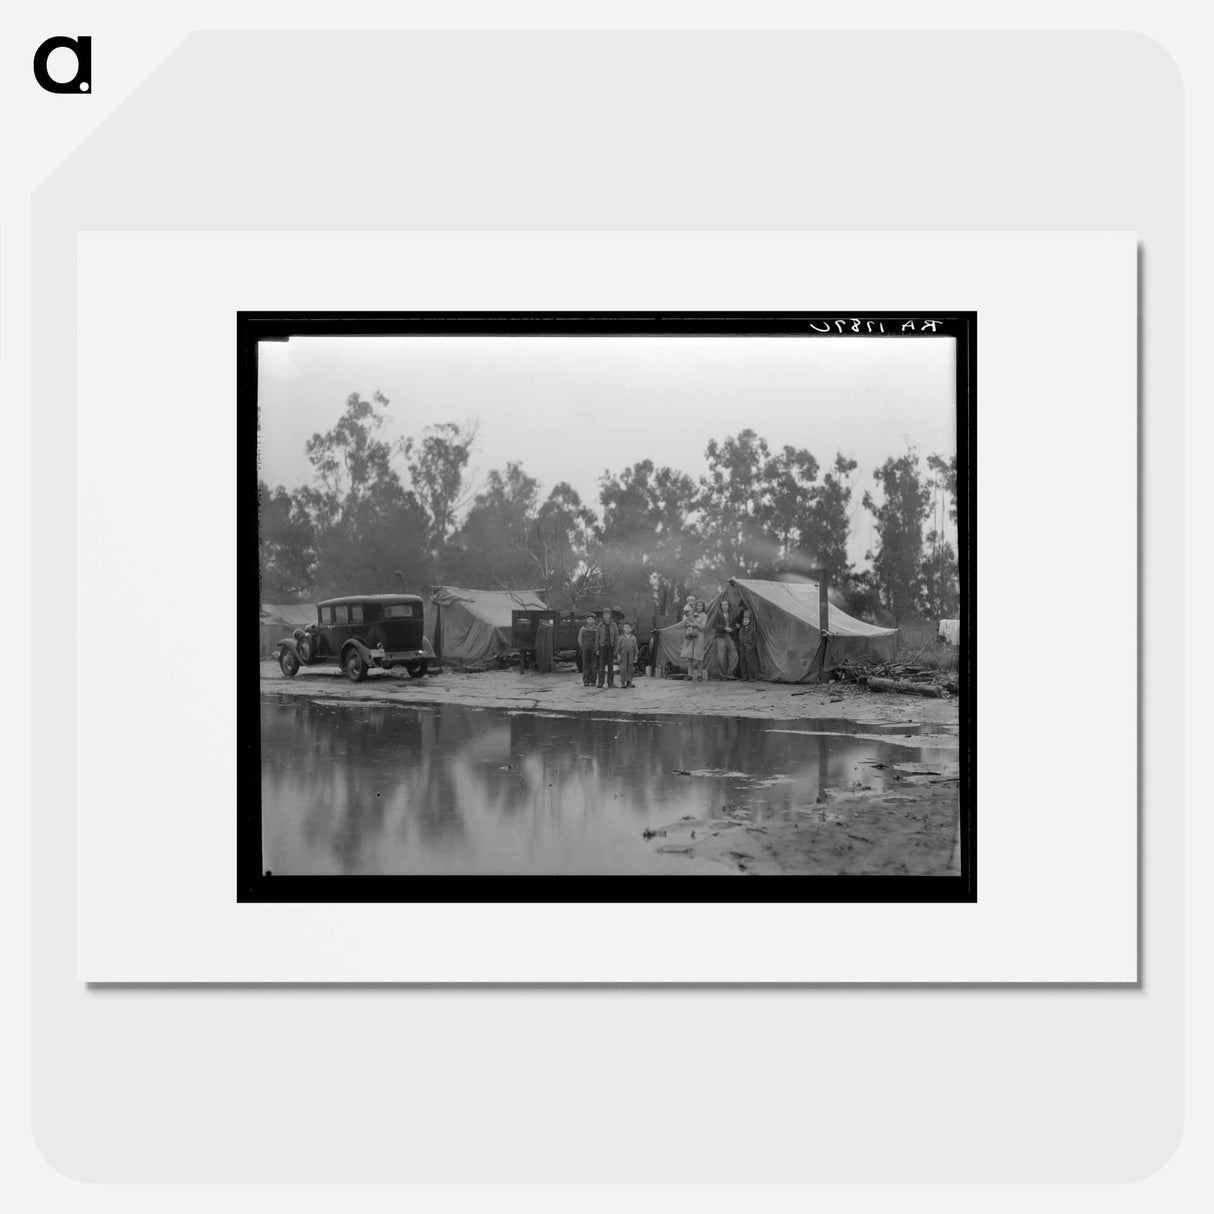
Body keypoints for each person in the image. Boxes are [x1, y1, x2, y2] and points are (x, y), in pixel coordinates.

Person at [712, 596, 738, 679]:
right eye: (723, 605)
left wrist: (732, 629)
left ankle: (730, 674)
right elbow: (714, 625)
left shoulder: (732, 614)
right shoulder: (718, 614)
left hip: (730, 636)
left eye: (726, 605)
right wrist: (724, 628)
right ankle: (723, 675)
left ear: (728, 606)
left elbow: (735, 626)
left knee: (734, 655)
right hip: (721, 636)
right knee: (721, 656)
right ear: (721, 606)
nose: (725, 606)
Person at [595, 609, 619, 688]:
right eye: (605, 615)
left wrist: (616, 649)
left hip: (610, 647)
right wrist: (597, 649)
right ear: (603, 616)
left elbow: (616, 638)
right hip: (602, 647)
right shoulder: (600, 625)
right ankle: (600, 683)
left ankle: (610, 683)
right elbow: (597, 638)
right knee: (601, 665)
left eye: (608, 614)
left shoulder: (614, 625)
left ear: (610, 615)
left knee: (610, 665)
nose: (606, 616)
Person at [687, 599, 709, 682]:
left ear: (703, 607)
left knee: (699, 656)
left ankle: (699, 674)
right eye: (697, 605)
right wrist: (689, 623)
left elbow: (702, 627)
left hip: (699, 636)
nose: (699, 607)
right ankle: (690, 674)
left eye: (701, 605)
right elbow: (687, 623)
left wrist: (694, 623)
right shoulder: (692, 614)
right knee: (690, 656)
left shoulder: (704, 615)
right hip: (691, 636)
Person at [737, 607, 760, 682]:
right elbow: (739, 639)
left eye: (747, 620)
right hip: (742, 648)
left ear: (749, 621)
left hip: (749, 648)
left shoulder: (752, 630)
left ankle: (751, 677)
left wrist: (751, 647)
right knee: (742, 662)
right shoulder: (741, 629)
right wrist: (740, 646)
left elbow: (755, 640)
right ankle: (744, 676)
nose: (745, 621)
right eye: (744, 620)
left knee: (750, 662)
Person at [577, 614, 598, 686]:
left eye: (592, 619)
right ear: (587, 620)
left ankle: (593, 681)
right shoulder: (583, 628)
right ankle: (586, 681)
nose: (591, 621)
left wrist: (597, 648)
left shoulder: (596, 629)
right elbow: (580, 638)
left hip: (594, 648)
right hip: (585, 648)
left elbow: (598, 639)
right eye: (589, 619)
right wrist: (582, 646)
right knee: (585, 665)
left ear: (594, 620)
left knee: (593, 665)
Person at [617, 622, 639, 688]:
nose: (627, 629)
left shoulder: (633, 638)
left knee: (630, 668)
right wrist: (618, 655)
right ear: (623, 629)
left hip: (631, 655)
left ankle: (629, 682)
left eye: (629, 627)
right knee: (623, 669)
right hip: (623, 655)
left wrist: (636, 656)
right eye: (625, 627)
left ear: (631, 629)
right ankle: (623, 682)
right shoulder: (620, 638)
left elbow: (635, 647)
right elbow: (618, 647)